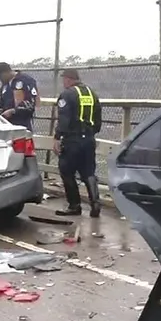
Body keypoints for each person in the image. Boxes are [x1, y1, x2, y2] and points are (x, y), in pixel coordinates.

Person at [53, 68, 102, 218]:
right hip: (88, 139)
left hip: (72, 140)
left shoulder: (67, 94)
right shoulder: (91, 93)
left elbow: (64, 119)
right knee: (88, 172)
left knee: (66, 171)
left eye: (64, 79)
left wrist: (57, 137)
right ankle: (95, 204)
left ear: (68, 79)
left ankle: (74, 206)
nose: (63, 83)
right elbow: (98, 119)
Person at [0, 62, 39, 130]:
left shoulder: (25, 80)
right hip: (8, 124)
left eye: (0, 77)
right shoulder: (4, 86)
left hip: (23, 123)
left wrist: (13, 111)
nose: (0, 80)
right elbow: (1, 104)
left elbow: (31, 103)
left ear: (5, 73)